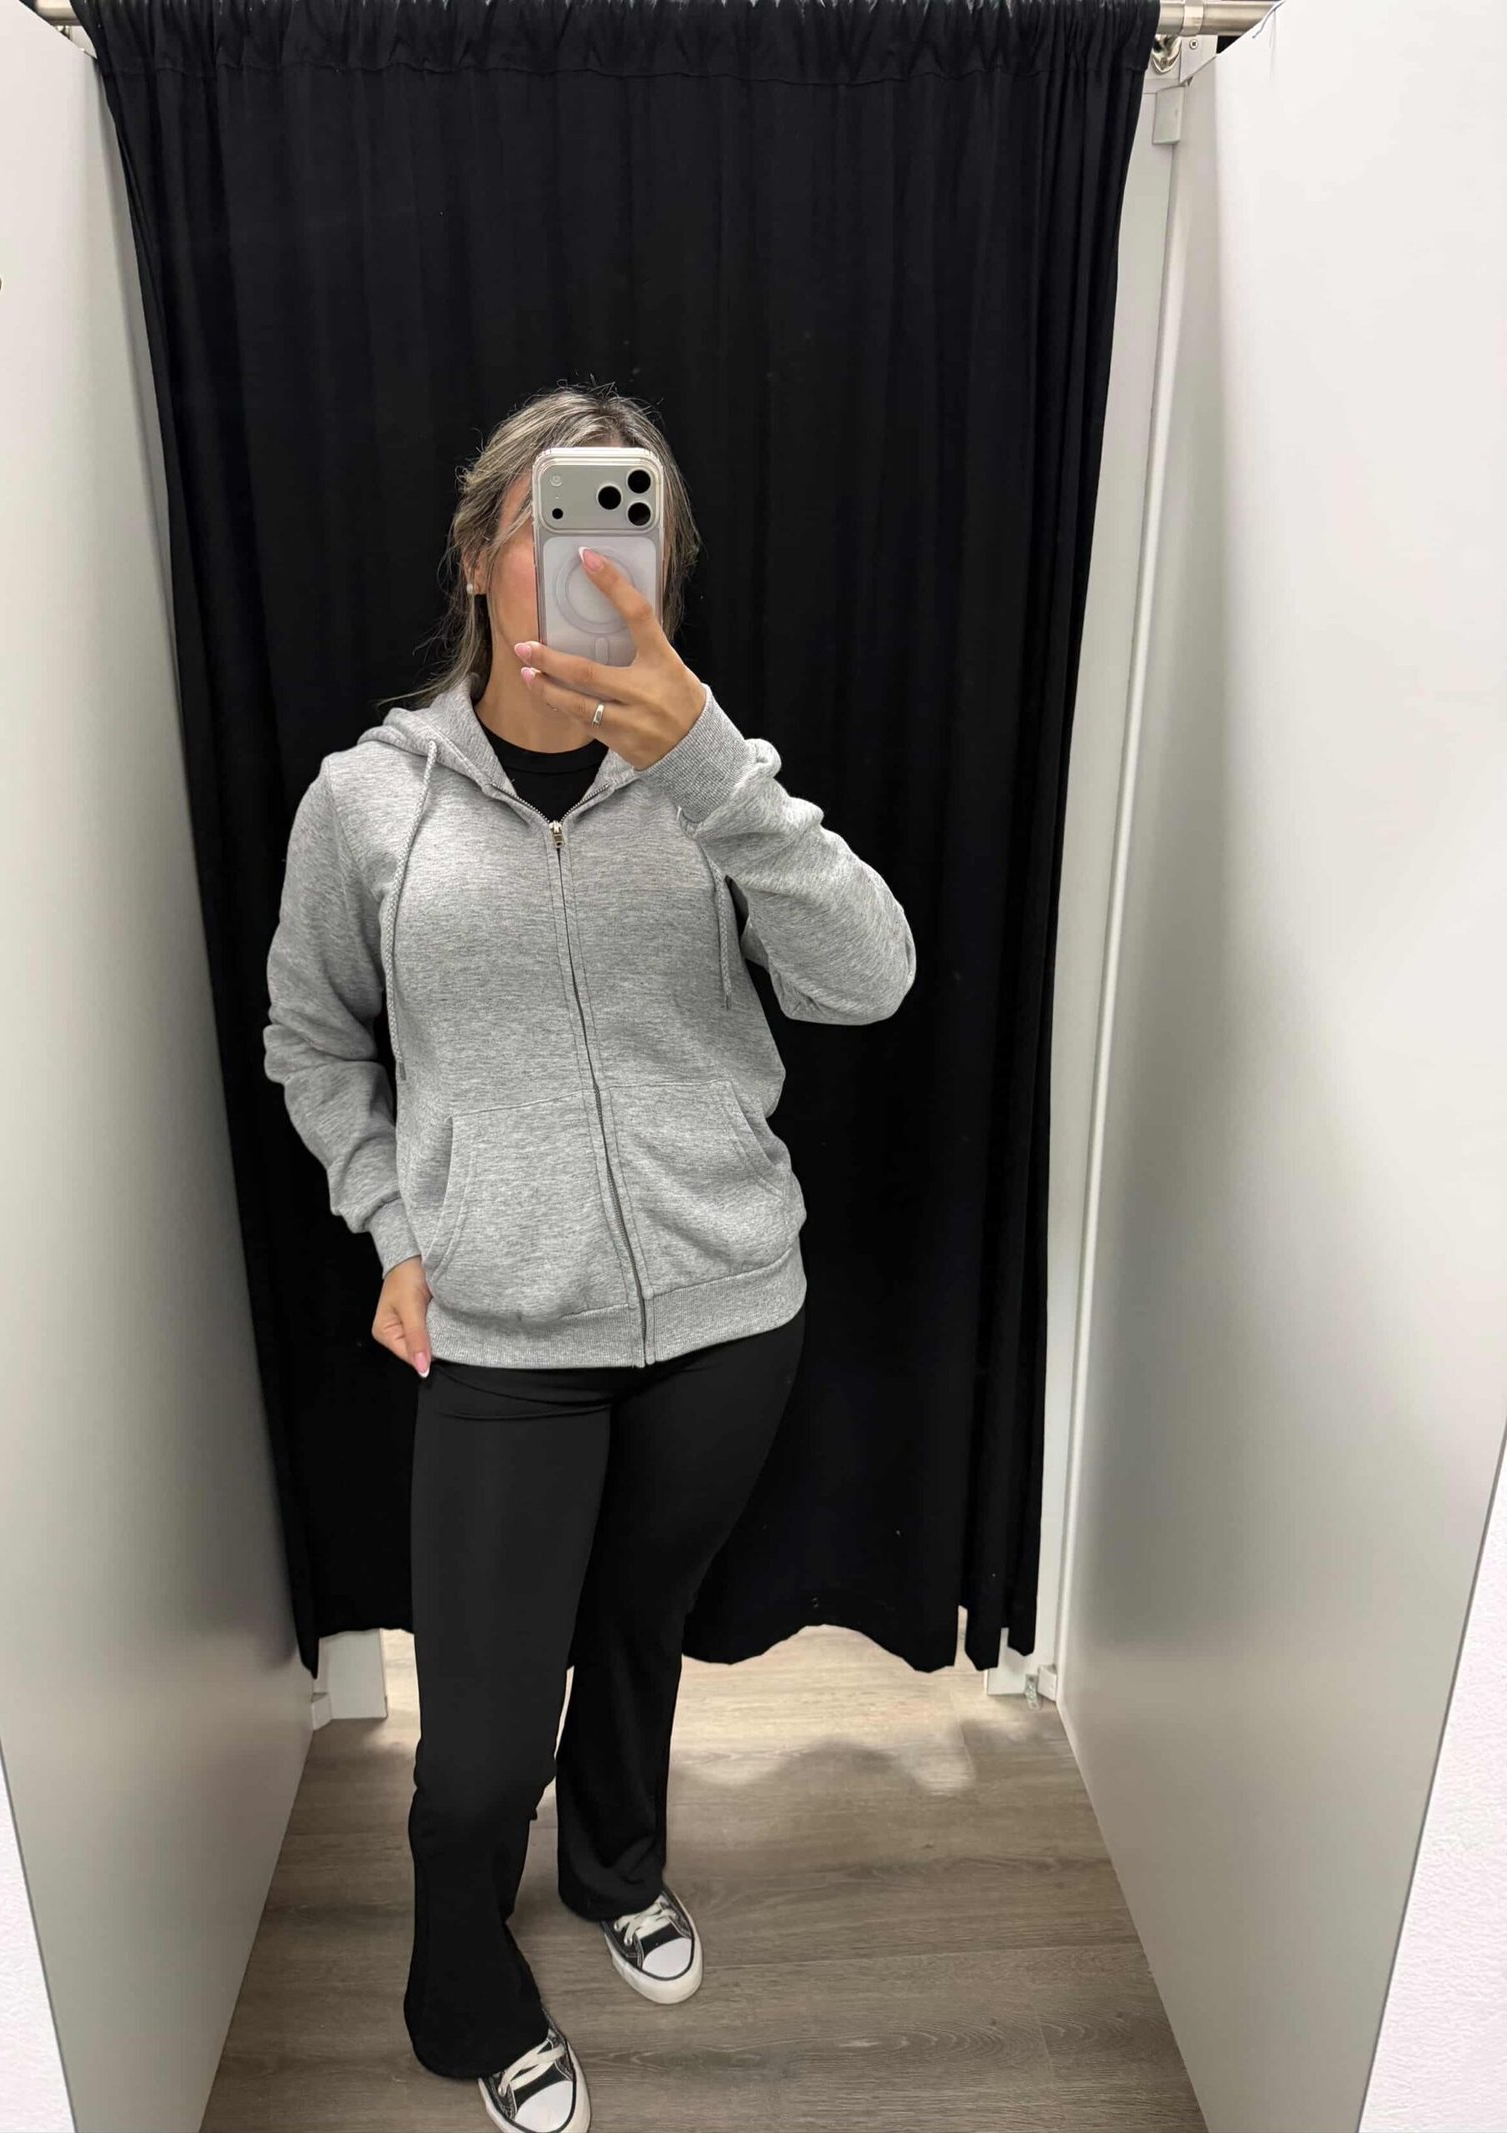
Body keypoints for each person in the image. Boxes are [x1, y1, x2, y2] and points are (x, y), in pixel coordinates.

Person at [263, 383, 916, 2133]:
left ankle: (617, 1863)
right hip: (499, 1331)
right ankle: (456, 1977)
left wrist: (706, 760)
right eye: (546, 522)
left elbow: (870, 979)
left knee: (639, 1625)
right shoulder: (368, 803)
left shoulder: (709, 781)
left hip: (727, 1312)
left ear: (662, 571)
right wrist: (392, 1220)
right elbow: (311, 1038)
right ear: (483, 555)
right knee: (478, 1750)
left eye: (630, 531)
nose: (587, 561)